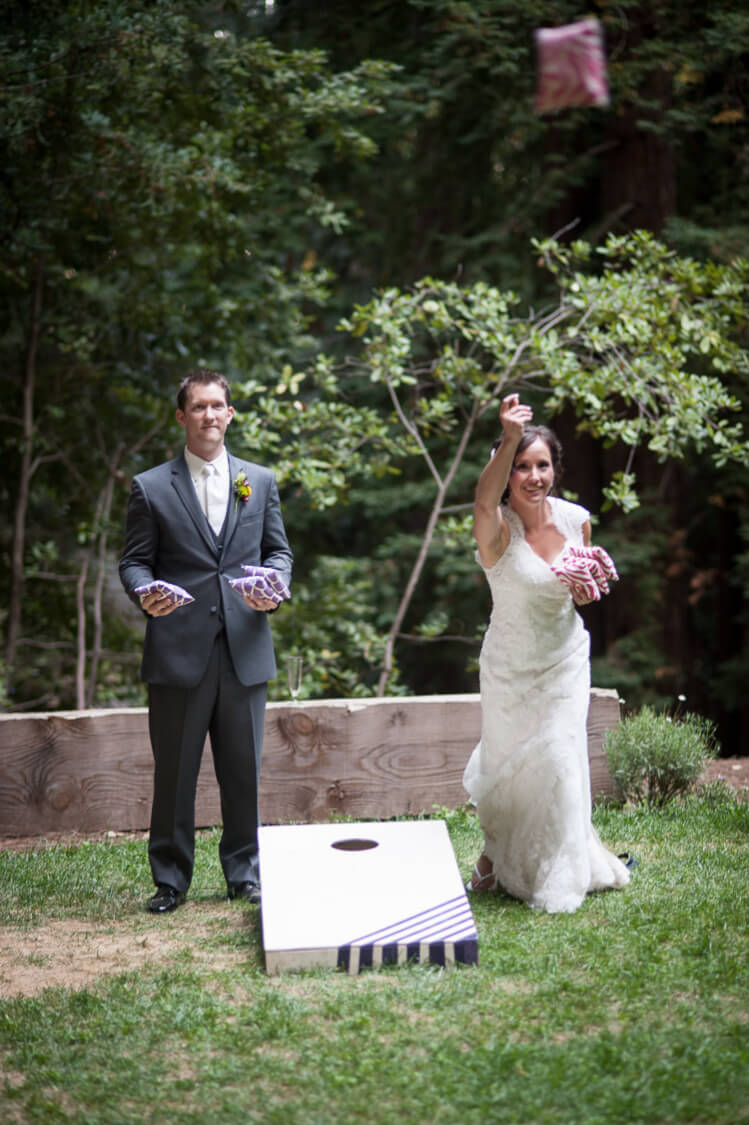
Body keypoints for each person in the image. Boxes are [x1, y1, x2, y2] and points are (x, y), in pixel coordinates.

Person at [119, 369, 292, 913]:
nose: (209, 416)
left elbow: (279, 553)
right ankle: (170, 879)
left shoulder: (259, 481)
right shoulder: (150, 486)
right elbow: (134, 561)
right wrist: (144, 592)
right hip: (178, 650)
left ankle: (244, 874)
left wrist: (275, 587)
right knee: (175, 771)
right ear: (182, 416)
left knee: (244, 770)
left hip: (245, 647)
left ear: (231, 413)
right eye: (198, 407)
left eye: (218, 406)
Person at [463, 393, 630, 914]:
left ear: (555, 469)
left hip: (563, 660)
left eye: (543, 465)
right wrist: (510, 435)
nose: (534, 476)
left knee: (559, 758)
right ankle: (497, 855)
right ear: (507, 473)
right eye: (521, 467)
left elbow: (582, 586)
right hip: (509, 667)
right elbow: (482, 503)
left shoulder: (576, 520)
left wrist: (584, 591)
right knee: (510, 768)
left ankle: (559, 873)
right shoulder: (497, 529)